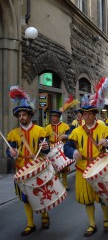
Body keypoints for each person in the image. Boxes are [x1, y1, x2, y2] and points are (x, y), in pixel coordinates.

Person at [64, 105, 108, 237]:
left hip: (100, 167)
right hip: (83, 168)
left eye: (90, 114)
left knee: (103, 196)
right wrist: (73, 152)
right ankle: (92, 224)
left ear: (95, 115)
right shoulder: (76, 131)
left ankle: (106, 219)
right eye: (84, 114)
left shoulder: (103, 128)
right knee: (87, 198)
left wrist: (107, 142)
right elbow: (67, 147)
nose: (87, 116)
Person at [6, 99, 50, 236]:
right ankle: (30, 224)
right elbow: (10, 151)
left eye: (24, 115)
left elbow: (46, 150)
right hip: (22, 169)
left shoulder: (40, 131)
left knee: (40, 194)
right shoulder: (13, 133)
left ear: (30, 116)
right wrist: (11, 152)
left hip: (37, 169)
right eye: (19, 116)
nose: (21, 118)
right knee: (25, 197)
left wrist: (46, 147)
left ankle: (44, 216)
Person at [45, 110, 71, 190]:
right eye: (52, 116)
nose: (53, 118)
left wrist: (66, 136)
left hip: (62, 147)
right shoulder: (47, 127)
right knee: (55, 168)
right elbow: (45, 139)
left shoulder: (65, 126)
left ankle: (65, 183)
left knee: (63, 167)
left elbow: (70, 135)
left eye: (55, 116)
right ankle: (58, 185)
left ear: (59, 117)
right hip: (52, 149)